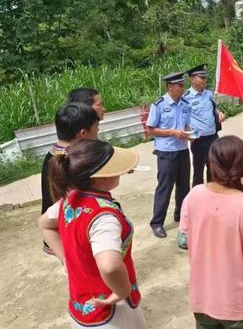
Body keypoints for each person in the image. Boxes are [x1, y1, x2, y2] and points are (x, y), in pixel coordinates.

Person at [39, 139, 145, 328]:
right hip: (112, 314)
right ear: (101, 178)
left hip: (81, 306)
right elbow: (110, 266)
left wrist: (65, 260)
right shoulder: (104, 218)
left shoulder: (69, 198)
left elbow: (45, 224)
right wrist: (121, 291)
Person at [179, 136, 243, 329]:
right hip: (238, 303)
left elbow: (183, 240)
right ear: (242, 166)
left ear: (211, 163)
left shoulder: (194, 195)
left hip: (203, 298)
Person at [40, 103, 100, 254]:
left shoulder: (53, 155)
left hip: (57, 223)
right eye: (96, 129)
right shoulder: (73, 160)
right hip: (72, 228)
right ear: (83, 133)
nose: (97, 134)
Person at [146, 72, 191, 239]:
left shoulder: (185, 104)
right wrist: (172, 132)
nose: (182, 88)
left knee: (184, 186)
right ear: (170, 87)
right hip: (166, 152)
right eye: (179, 85)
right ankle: (157, 223)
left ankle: (181, 216)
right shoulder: (159, 105)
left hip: (182, 150)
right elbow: (150, 130)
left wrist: (189, 134)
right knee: (165, 187)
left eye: (183, 85)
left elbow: (186, 124)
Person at [184, 64, 225, 186]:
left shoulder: (208, 94)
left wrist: (219, 113)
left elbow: (212, 109)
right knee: (198, 170)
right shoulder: (186, 97)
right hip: (198, 138)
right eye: (201, 77)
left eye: (205, 77)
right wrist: (190, 136)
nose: (204, 80)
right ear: (192, 79)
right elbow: (183, 119)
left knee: (213, 167)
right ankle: (198, 197)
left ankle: (211, 194)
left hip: (213, 136)